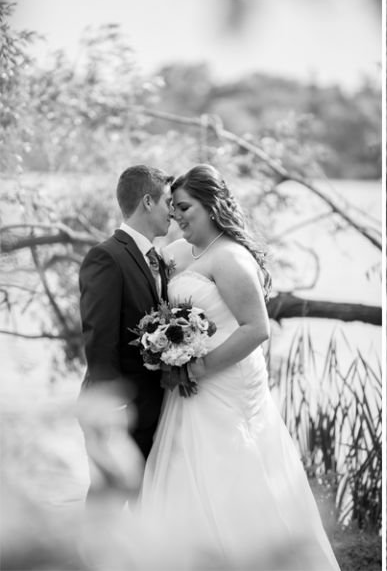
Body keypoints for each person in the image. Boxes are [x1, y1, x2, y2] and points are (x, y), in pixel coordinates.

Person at [137, 164, 340, 570]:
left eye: (184, 207)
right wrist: (163, 344)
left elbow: (256, 329)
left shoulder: (231, 258)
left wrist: (198, 367)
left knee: (232, 481)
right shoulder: (176, 255)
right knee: (184, 481)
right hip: (186, 391)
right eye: (173, 208)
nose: (176, 216)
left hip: (223, 386)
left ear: (211, 206)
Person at [78, 165, 174, 507]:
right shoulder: (106, 256)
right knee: (109, 499)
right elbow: (99, 339)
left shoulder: (158, 258)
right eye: (168, 202)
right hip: (119, 409)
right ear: (147, 202)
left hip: (153, 405)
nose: (172, 212)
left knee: (144, 502)